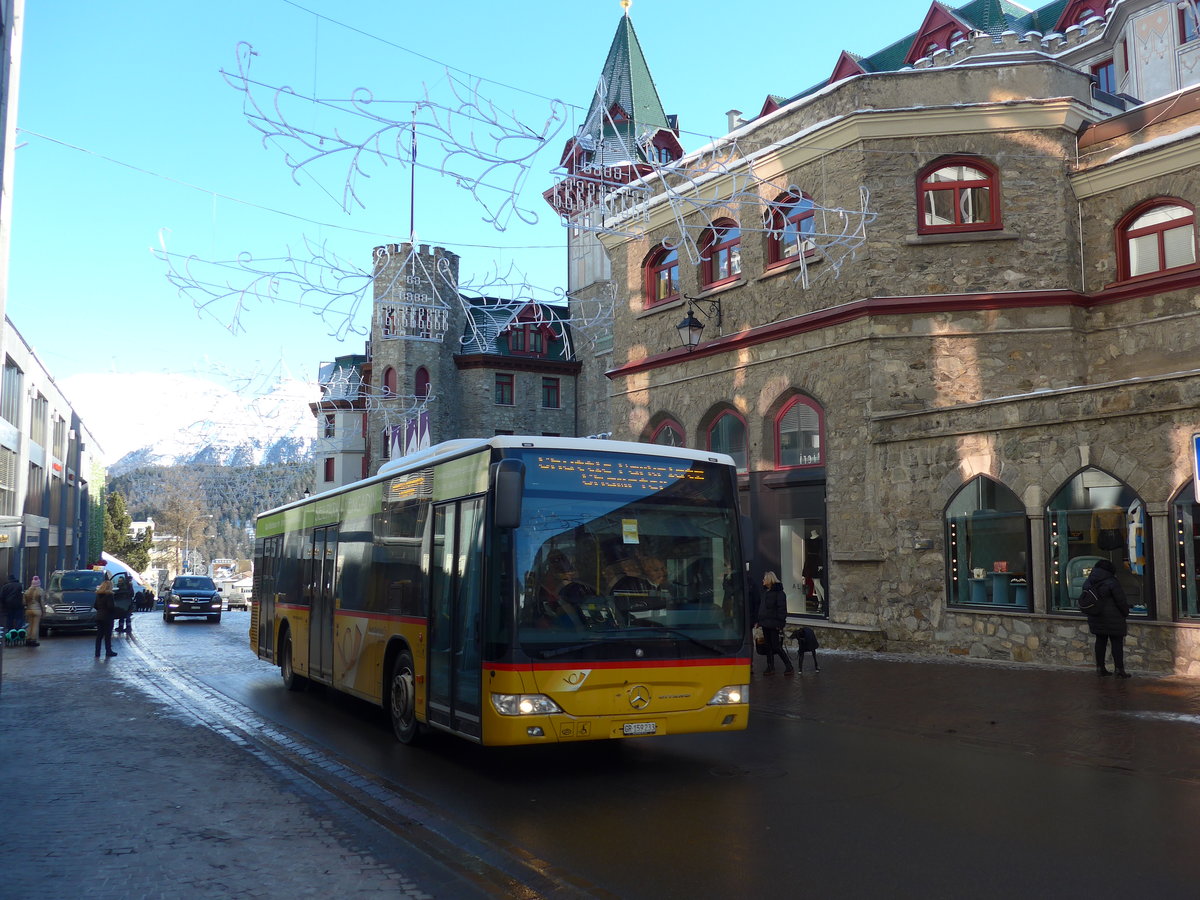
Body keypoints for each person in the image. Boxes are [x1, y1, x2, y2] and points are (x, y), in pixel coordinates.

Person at [1082, 558, 1130, 677]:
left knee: (1100, 642)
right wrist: (1125, 612)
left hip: (1096, 616)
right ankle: (1119, 669)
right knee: (1116, 643)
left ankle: (1100, 667)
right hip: (1114, 618)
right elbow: (1121, 600)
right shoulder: (1112, 581)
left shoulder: (1089, 581)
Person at [757, 571, 793, 675]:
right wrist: (759, 621)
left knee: (776, 646)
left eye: (764, 579)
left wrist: (780, 623)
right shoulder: (764, 593)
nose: (762, 581)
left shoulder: (779, 593)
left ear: (769, 580)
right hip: (765, 623)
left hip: (774, 624)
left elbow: (782, 609)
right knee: (768, 646)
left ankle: (788, 666)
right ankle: (770, 666)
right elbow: (762, 608)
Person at [93, 574, 118, 658]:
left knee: (99, 636)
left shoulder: (98, 595)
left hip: (99, 616)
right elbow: (110, 606)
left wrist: (100, 610)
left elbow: (95, 606)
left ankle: (97, 653)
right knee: (107, 635)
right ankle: (108, 651)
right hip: (107, 617)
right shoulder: (109, 595)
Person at [23, 575, 44, 647]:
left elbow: (24, 602)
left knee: (29, 625)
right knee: (35, 626)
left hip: (28, 610)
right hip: (37, 610)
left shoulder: (27, 591)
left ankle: (27, 639)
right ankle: (33, 640)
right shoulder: (40, 591)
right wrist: (43, 610)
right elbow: (42, 602)